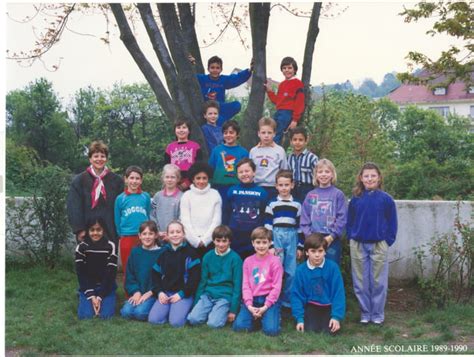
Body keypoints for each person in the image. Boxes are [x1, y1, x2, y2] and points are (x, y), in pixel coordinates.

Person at [347, 162, 397, 326]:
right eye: (366, 176)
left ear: (379, 177)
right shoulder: (356, 199)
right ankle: (365, 313)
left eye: (373, 176)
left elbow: (392, 223)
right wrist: (351, 238)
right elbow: (350, 221)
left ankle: (377, 314)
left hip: (378, 245)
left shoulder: (386, 199)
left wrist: (387, 241)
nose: (369, 179)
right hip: (358, 244)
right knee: (360, 282)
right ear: (361, 178)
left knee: (378, 282)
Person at [67, 140, 123, 244]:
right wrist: (79, 229)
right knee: (88, 259)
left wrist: (120, 230)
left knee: (109, 259)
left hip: (110, 230)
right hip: (87, 231)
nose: (99, 159)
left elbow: (121, 207)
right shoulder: (79, 181)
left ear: (106, 159)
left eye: (102, 156)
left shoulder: (117, 181)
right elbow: (74, 207)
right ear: (90, 159)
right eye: (96, 156)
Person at [187, 225, 243, 329]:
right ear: (213, 241)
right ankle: (210, 311)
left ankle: (219, 312)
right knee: (193, 319)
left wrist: (233, 310)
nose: (221, 244)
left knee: (213, 324)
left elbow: (237, 286)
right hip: (208, 294)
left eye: (224, 241)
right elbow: (203, 281)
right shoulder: (208, 256)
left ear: (229, 241)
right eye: (218, 241)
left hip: (224, 296)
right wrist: (195, 304)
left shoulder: (236, 259)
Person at [148, 221, 201, 328]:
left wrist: (181, 294)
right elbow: (155, 275)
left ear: (183, 234)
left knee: (176, 323)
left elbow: (194, 279)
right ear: (167, 236)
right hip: (166, 293)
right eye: (172, 232)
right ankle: (170, 309)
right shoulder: (163, 253)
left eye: (178, 232)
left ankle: (182, 309)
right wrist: (160, 292)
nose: (175, 234)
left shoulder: (191, 253)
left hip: (183, 293)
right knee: (154, 320)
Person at [233, 227, 283, 336]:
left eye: (264, 242)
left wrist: (265, 306)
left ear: (270, 243)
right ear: (253, 243)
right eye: (258, 242)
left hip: (269, 299)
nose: (261, 246)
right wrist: (249, 305)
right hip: (253, 299)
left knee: (271, 331)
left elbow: (277, 287)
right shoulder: (247, 261)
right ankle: (256, 318)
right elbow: (245, 285)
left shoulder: (275, 261)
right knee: (239, 327)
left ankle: (270, 316)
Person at [291, 233, 345, 334]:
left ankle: (332, 319)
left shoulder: (333, 268)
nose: (317, 255)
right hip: (310, 305)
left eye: (320, 251)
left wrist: (336, 317)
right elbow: (296, 295)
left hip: (328, 305)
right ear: (306, 252)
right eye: (313, 251)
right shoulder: (300, 270)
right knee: (310, 330)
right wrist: (299, 319)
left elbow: (338, 293)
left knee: (331, 331)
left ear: (325, 252)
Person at [264, 169, 303, 308]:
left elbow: (300, 227)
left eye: (286, 185)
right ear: (276, 186)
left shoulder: (297, 204)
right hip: (277, 236)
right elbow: (268, 225)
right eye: (281, 185)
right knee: (277, 270)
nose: (284, 188)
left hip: (292, 236)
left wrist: (300, 246)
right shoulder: (272, 204)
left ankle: (288, 300)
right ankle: (275, 299)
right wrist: (271, 245)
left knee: (292, 271)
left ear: (292, 185)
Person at [300, 159, 347, 266]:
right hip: (313, 238)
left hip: (331, 240)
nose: (323, 174)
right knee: (313, 268)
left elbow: (342, 218)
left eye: (327, 171)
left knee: (331, 267)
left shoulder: (338, 195)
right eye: (320, 172)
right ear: (316, 175)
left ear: (332, 174)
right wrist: (309, 236)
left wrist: (331, 236)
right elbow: (305, 217)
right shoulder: (311, 195)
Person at [191, 54, 253, 125]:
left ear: (221, 69)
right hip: (206, 108)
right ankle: (216, 121)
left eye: (217, 68)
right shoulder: (202, 78)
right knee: (216, 119)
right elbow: (191, 77)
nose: (215, 70)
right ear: (208, 69)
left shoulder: (223, 80)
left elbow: (236, 78)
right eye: (212, 67)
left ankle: (220, 121)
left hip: (219, 107)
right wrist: (191, 64)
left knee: (237, 105)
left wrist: (249, 70)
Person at [75, 217, 117, 320]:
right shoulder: (81, 247)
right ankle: (84, 295)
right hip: (88, 285)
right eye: (92, 230)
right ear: (87, 231)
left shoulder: (110, 246)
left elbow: (110, 273)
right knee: (85, 316)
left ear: (103, 230)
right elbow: (81, 274)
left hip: (106, 286)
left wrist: (100, 296)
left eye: (98, 230)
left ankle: (108, 297)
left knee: (106, 316)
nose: (95, 233)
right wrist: (92, 295)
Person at [227, 158, 268, 260]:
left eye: (247, 171)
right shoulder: (232, 191)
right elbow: (226, 212)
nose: (244, 174)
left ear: (254, 172)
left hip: (254, 235)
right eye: (241, 172)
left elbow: (264, 213)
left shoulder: (262, 192)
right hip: (235, 234)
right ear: (237, 174)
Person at [208, 120, 249, 222]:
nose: (228, 135)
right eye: (225, 132)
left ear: (237, 134)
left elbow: (247, 171)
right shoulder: (217, 150)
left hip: (237, 187)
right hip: (219, 187)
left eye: (231, 132)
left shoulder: (243, 152)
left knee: (236, 214)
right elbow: (210, 169)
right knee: (221, 214)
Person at [120, 221, 162, 321]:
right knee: (126, 312)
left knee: (140, 313)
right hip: (138, 292)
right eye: (144, 234)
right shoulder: (135, 252)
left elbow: (164, 277)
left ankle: (154, 307)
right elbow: (130, 275)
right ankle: (134, 303)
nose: (147, 237)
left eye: (150, 234)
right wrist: (136, 292)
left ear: (156, 235)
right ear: (139, 236)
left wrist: (152, 292)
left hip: (153, 293)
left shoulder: (162, 252)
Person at [114, 166, 151, 277]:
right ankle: (129, 293)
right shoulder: (121, 198)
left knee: (143, 266)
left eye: (137, 178)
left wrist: (147, 232)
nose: (134, 181)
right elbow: (117, 218)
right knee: (128, 266)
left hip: (144, 237)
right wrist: (121, 234)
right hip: (127, 236)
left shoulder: (146, 197)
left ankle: (144, 292)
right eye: (131, 178)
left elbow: (147, 215)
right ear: (126, 179)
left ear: (141, 180)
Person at [180, 162, 222, 257]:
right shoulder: (186, 196)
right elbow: (185, 221)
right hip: (191, 242)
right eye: (198, 178)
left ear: (208, 178)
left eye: (204, 178)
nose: (201, 181)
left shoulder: (215, 194)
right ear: (193, 179)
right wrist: (195, 241)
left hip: (211, 241)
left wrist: (205, 240)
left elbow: (217, 221)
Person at [265, 56, 305, 145]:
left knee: (277, 133)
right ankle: (269, 148)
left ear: (295, 69)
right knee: (270, 129)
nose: (287, 70)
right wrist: (269, 91)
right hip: (278, 112)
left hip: (288, 113)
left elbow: (299, 103)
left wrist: (295, 120)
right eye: (284, 68)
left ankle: (275, 151)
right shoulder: (282, 84)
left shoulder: (298, 83)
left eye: (290, 68)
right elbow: (277, 101)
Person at [249, 117, 288, 202]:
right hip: (256, 187)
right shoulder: (254, 151)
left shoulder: (279, 151)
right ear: (258, 133)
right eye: (263, 133)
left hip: (274, 188)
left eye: (269, 133)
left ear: (274, 133)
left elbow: (284, 171)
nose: (266, 136)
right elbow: (250, 170)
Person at [165, 119, 202, 191]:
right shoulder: (170, 147)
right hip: (173, 182)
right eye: (178, 127)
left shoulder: (195, 146)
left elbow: (199, 167)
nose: (181, 130)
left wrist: (189, 182)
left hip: (191, 183)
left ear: (189, 130)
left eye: (184, 127)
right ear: (175, 130)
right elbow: (166, 167)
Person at [150, 164, 183, 244]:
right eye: (167, 177)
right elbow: (152, 215)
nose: (169, 180)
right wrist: (157, 231)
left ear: (178, 179)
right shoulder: (158, 196)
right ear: (163, 178)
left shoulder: (182, 196)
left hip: (176, 238)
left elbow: (182, 217)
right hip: (159, 237)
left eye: (172, 177)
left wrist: (172, 233)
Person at [287, 127, 319, 203]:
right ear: (291, 141)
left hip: (309, 189)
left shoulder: (312, 158)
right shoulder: (289, 158)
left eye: (300, 140)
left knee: (311, 209)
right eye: (295, 140)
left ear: (306, 141)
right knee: (295, 209)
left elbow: (318, 176)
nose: (297, 142)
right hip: (293, 189)